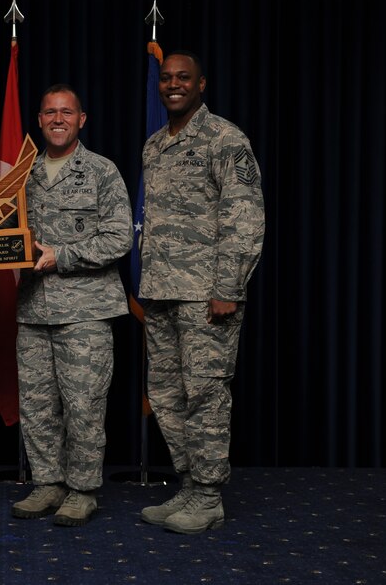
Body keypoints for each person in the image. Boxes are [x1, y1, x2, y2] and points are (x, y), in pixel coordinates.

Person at [137, 51, 265, 534]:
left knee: (206, 393)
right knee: (167, 395)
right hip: (162, 292)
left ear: (201, 84)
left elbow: (245, 216)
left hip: (207, 295)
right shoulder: (154, 145)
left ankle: (209, 496)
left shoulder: (226, 139)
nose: (172, 85)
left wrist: (229, 286)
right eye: (166, 78)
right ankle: (189, 486)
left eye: (183, 78)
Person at [10, 84, 133, 527]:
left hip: (85, 311)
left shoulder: (101, 171)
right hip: (32, 310)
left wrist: (60, 256)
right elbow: (2, 231)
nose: (58, 119)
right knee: (38, 405)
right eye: (49, 112)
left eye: (67, 112)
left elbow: (120, 237)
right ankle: (47, 483)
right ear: (39, 120)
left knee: (84, 405)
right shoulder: (21, 174)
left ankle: (82, 490)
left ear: (82, 119)